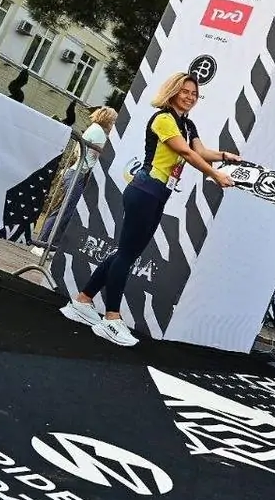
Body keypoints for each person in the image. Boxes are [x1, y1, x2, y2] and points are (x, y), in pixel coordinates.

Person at [60, 72, 238, 347]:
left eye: (194, 93)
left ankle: (82, 301)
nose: (190, 97)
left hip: (157, 195)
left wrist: (226, 156)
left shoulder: (187, 124)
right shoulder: (163, 119)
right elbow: (187, 154)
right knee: (126, 254)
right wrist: (215, 175)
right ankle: (111, 318)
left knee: (126, 253)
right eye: (185, 91)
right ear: (173, 92)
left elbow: (200, 151)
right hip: (144, 191)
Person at [33, 105, 118, 255]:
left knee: (66, 210)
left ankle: (49, 244)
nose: (114, 125)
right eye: (113, 121)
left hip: (76, 173)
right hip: (78, 174)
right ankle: (43, 243)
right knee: (66, 210)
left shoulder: (94, 128)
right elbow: (101, 155)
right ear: (107, 120)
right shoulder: (99, 132)